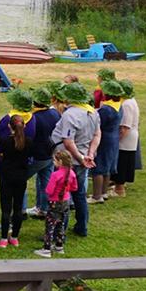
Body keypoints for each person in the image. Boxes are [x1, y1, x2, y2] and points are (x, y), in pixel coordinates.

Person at [50, 82, 99, 238]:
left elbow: (68, 141)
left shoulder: (70, 115)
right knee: (80, 195)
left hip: (68, 160)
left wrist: (81, 158)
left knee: (62, 195)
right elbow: (97, 135)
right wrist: (89, 154)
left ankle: (59, 230)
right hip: (83, 156)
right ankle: (82, 227)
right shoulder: (93, 112)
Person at [24, 88, 60, 217]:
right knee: (46, 181)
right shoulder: (55, 113)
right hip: (50, 153)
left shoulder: (33, 118)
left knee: (21, 180)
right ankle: (44, 209)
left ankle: (21, 210)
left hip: (36, 155)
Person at [0, 114, 30, 248]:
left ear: (9, 126)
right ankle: (15, 237)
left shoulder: (4, 141)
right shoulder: (28, 141)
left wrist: (3, 159)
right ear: (24, 126)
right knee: (18, 207)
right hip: (21, 177)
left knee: (5, 208)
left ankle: (4, 238)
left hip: (7, 176)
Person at [35, 150, 77, 257]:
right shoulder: (72, 173)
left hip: (55, 201)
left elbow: (49, 190)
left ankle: (46, 249)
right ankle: (59, 246)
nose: (53, 162)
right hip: (66, 201)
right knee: (61, 224)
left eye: (54, 160)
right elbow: (74, 187)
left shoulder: (56, 175)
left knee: (50, 225)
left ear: (60, 162)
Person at [91, 80, 123, 204]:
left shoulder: (106, 110)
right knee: (108, 166)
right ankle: (103, 192)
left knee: (99, 166)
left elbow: (99, 124)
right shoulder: (119, 105)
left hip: (104, 139)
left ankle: (96, 196)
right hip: (113, 138)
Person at [113, 80, 140, 196]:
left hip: (127, 138)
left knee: (123, 162)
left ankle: (119, 189)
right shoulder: (131, 100)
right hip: (131, 135)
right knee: (124, 161)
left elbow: (125, 126)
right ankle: (119, 185)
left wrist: (117, 139)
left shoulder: (127, 104)